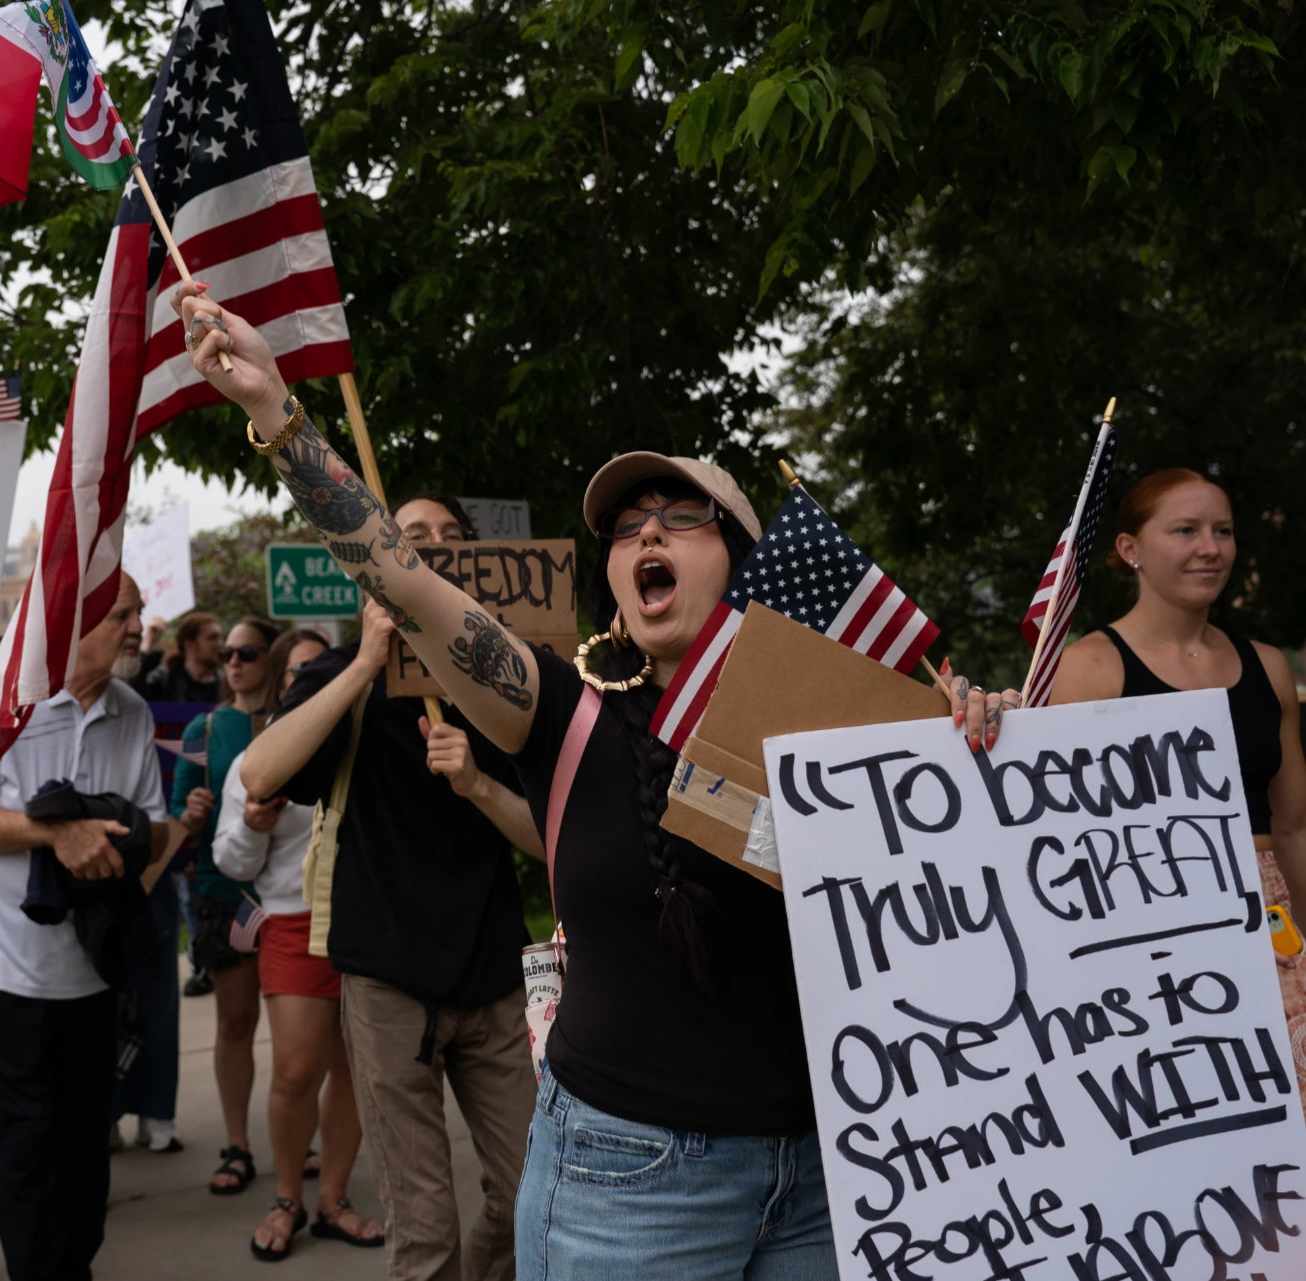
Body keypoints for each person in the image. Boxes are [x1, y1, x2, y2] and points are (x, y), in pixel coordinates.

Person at [176, 286, 1022, 1278]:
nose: (646, 536)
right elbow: (400, 577)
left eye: (680, 517)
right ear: (614, 582)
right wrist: (276, 413)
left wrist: (979, 746)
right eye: (625, 530)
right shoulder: (556, 706)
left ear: (746, 564)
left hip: (839, 1173)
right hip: (628, 1185)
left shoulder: (849, 727)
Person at [244, 589, 540, 1281]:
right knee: (426, 1226)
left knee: (533, 1195)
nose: (430, 551)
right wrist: (365, 663)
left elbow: (552, 839)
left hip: (491, 975)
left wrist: (477, 785)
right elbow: (260, 773)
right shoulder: (342, 670)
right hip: (389, 981)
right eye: (410, 540)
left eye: (447, 538)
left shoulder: (508, 677)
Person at [0, 571, 187, 1281]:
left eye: (137, 612)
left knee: (83, 1148)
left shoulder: (131, 710)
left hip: (90, 967)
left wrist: (119, 840)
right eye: (122, 614)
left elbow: (156, 826)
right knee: (22, 1145)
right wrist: (55, 834)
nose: (138, 626)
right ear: (67, 622)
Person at [1052, 468, 1306, 938]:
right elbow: (1063, 837)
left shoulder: (1268, 667)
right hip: (1150, 924)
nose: (1210, 548)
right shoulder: (1088, 668)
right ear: (1131, 550)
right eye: (1186, 530)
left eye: (1223, 531)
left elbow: (1293, 830)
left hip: (1270, 919)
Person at [215, 628, 386, 1258]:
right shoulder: (261, 756)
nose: (308, 678)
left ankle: (332, 1199)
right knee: (294, 1071)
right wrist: (254, 828)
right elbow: (230, 862)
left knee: (357, 1072)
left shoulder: (371, 743)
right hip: (294, 922)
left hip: (368, 918)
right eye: (296, 671)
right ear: (281, 683)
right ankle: (287, 1195)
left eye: (323, 666)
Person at [170, 617, 277, 1192]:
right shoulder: (202, 727)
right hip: (226, 899)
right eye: (227, 653)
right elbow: (175, 819)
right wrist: (189, 813)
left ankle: (296, 1130)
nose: (233, 661)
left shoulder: (295, 719)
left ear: (271, 658)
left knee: (299, 1032)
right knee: (236, 1022)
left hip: (292, 899)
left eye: (248, 651)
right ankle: (236, 1144)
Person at [137, 612, 224, 704]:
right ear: (189, 645)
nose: (220, 643)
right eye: (212, 638)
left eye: (220, 638)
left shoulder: (226, 686)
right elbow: (134, 692)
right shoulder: (164, 681)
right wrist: (147, 644)